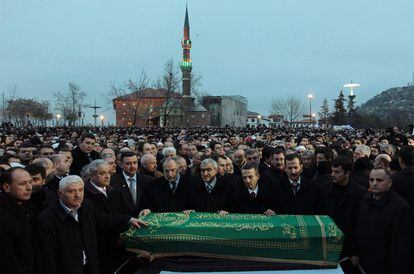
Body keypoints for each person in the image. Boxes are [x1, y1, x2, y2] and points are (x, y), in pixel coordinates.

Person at [36, 175, 146, 274]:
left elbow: (104, 220)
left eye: (80, 190)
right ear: (60, 193)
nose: (77, 195)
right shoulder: (47, 219)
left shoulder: (86, 206)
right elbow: (47, 257)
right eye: (71, 191)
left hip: (89, 267)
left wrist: (129, 220)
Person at [352, 168, 412, 274]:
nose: (374, 183)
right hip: (364, 262)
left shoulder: (400, 207)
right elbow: (358, 228)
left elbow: (400, 246)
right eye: (371, 180)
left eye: (379, 180)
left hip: (384, 265)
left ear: (389, 183)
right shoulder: (366, 199)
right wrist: (355, 252)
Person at [320, 156, 366, 274]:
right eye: (332, 171)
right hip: (327, 243)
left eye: (337, 172)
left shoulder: (360, 193)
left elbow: (360, 224)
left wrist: (355, 252)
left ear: (347, 173)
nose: (332, 174)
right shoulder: (324, 189)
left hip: (348, 246)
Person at [0, 167, 35, 273]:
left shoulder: (25, 206)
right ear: (6, 187)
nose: (29, 187)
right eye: (22, 184)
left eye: (30, 182)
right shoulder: (3, 216)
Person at [110, 151, 153, 215]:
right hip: (124, 221)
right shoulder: (113, 182)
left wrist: (148, 209)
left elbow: (152, 201)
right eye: (128, 164)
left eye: (135, 163)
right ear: (121, 164)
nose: (133, 166)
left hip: (144, 218)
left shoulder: (148, 180)